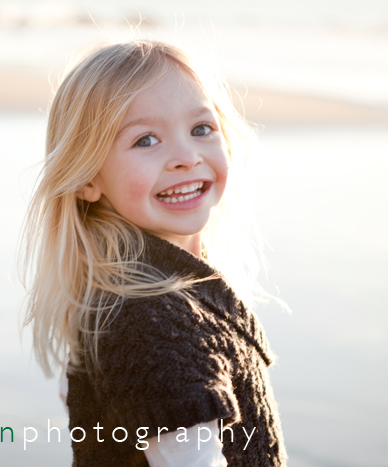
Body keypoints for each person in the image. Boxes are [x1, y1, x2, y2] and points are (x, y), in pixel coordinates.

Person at [20, 40, 287, 466]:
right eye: (146, 140)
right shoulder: (150, 322)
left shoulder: (143, 293)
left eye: (201, 128)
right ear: (86, 178)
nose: (186, 157)